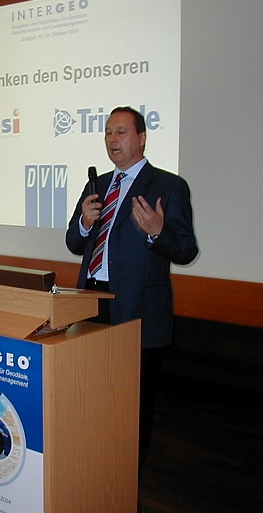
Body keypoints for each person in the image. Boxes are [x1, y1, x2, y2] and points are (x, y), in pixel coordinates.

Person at [65, 106, 198, 468]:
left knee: (132, 402)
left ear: (141, 137)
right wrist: (83, 222)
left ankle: (126, 472)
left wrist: (158, 231)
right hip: (91, 302)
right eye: (108, 132)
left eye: (121, 132)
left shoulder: (169, 186)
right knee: (91, 392)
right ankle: (92, 462)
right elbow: (74, 243)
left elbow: (186, 249)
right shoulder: (96, 186)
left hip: (138, 308)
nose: (113, 139)